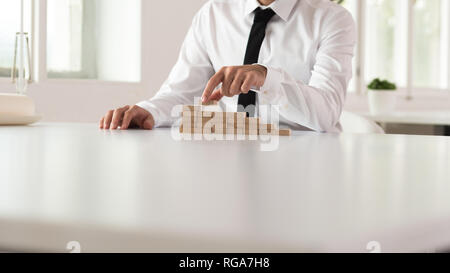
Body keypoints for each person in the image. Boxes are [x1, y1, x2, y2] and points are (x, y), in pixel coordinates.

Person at [100, 0, 356, 133]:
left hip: (308, 166)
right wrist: (149, 111)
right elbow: (182, 91)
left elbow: (325, 113)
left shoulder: (332, 20)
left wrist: (266, 78)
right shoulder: (213, 14)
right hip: (229, 160)